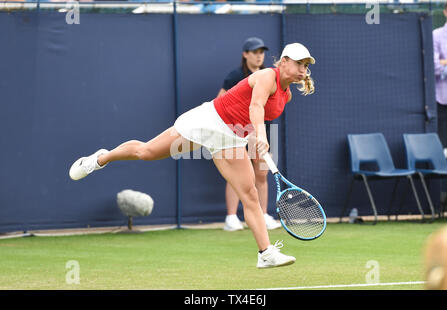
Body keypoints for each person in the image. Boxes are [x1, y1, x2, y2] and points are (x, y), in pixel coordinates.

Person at [69, 42, 316, 269]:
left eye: (305, 66)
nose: (302, 69)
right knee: (146, 152)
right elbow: (255, 106)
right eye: (298, 63)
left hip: (230, 138)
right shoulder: (265, 76)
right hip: (208, 121)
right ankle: (102, 158)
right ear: (283, 61)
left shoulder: (287, 96)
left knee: (250, 194)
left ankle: (265, 253)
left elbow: (249, 119)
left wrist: (253, 136)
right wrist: (261, 135)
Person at [217, 37, 281, 232]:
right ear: (245, 55)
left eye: (261, 52)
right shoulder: (235, 76)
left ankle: (263, 215)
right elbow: (221, 101)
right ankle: (231, 218)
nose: (259, 56)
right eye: (255, 52)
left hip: (263, 131)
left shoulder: (269, 76)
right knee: (236, 175)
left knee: (261, 174)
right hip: (236, 132)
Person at [433, 0, 447, 156]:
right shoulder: (436, 35)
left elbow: (440, 64)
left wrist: (446, 62)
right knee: (442, 147)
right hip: (443, 100)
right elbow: (435, 66)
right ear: (445, 12)